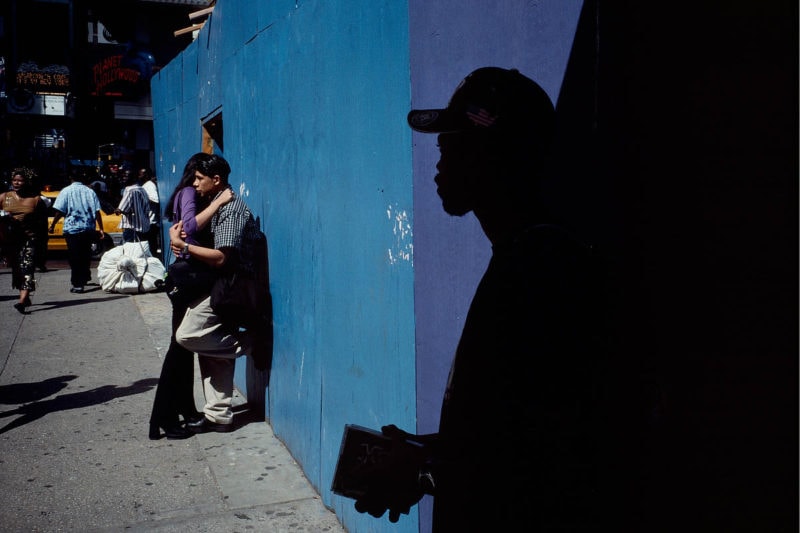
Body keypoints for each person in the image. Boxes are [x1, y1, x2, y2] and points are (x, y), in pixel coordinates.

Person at [354, 67, 605, 530]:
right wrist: (425, 451)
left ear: (496, 154)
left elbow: (545, 456)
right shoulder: (524, 256)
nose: (438, 162)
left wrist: (423, 471)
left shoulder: (543, 271)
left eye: (451, 148)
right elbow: (503, 428)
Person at [170, 153, 265, 433]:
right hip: (219, 285)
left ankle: (252, 343)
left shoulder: (231, 209)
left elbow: (223, 258)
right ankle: (219, 415)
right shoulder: (215, 203)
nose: (194, 184)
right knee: (213, 351)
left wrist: (185, 247)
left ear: (216, 180)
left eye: (199, 179)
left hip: (232, 286)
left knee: (188, 334)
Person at [148, 154, 233, 440]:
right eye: (196, 176)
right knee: (178, 350)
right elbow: (190, 227)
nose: (197, 183)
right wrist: (219, 204)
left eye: (201, 178)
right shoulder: (187, 192)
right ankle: (164, 418)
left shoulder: (192, 194)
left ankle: (185, 410)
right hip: (187, 279)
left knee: (183, 351)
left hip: (190, 276)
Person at [49, 169, 106, 293]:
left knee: (75, 257)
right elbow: (97, 212)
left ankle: (78, 284)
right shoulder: (90, 192)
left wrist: (53, 225)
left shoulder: (65, 191)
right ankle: (85, 276)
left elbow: (59, 211)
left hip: (72, 229)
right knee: (85, 254)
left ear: (70, 178)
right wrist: (101, 228)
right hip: (88, 228)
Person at [0, 168, 48, 313]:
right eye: (14, 180)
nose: (17, 183)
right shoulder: (3, 197)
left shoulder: (36, 200)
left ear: (27, 182)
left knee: (27, 268)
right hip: (9, 240)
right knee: (17, 270)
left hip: (29, 239)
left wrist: (42, 241)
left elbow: (42, 222)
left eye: (20, 180)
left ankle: (21, 301)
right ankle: (25, 297)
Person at [115, 168, 151, 243]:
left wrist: (116, 210)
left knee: (129, 252)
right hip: (143, 227)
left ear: (133, 178)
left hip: (132, 228)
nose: (123, 178)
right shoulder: (142, 189)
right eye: (123, 176)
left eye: (126, 176)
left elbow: (122, 209)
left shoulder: (130, 190)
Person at [140, 167, 162, 256]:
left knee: (151, 247)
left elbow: (156, 200)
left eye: (141, 174)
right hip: (147, 222)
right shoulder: (146, 185)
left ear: (146, 175)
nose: (139, 176)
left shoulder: (149, 185)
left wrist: (143, 198)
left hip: (151, 222)